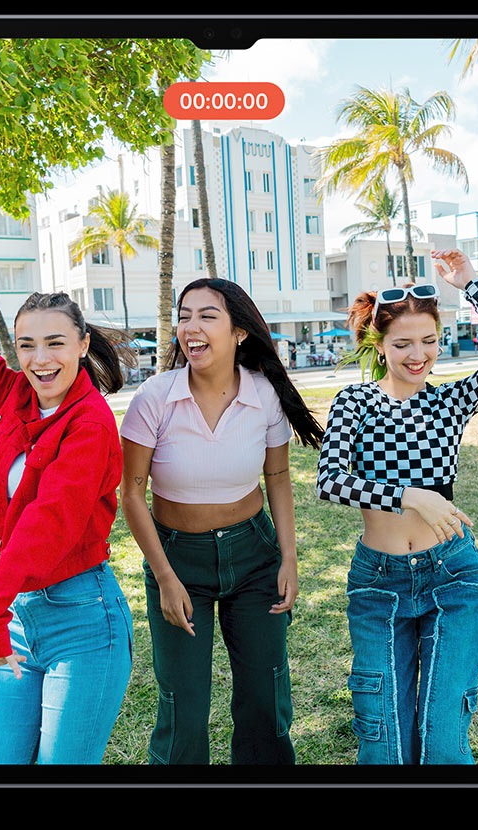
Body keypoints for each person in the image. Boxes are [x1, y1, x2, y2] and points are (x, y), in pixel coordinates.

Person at [0, 198, 134, 765]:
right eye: (27, 344)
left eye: (56, 343)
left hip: (84, 621)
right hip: (18, 613)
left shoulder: (90, 424)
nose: (40, 359)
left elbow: (46, 525)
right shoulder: (7, 395)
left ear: (82, 346)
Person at [316, 249, 478, 765]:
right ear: (380, 343)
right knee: (382, 737)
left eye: (430, 341)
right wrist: (409, 495)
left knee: (442, 738)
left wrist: (468, 284)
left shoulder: (450, 402)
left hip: (452, 577)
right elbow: (330, 482)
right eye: (404, 343)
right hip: (378, 582)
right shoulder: (356, 403)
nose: (419, 355)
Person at [119, 277, 325, 764]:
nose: (191, 327)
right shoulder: (155, 397)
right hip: (178, 559)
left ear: (239, 333)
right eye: (184, 315)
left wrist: (289, 557)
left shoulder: (263, 396)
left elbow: (276, 476)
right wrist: (166, 578)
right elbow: (130, 492)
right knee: (183, 703)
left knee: (264, 694)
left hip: (255, 555)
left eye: (207, 316)